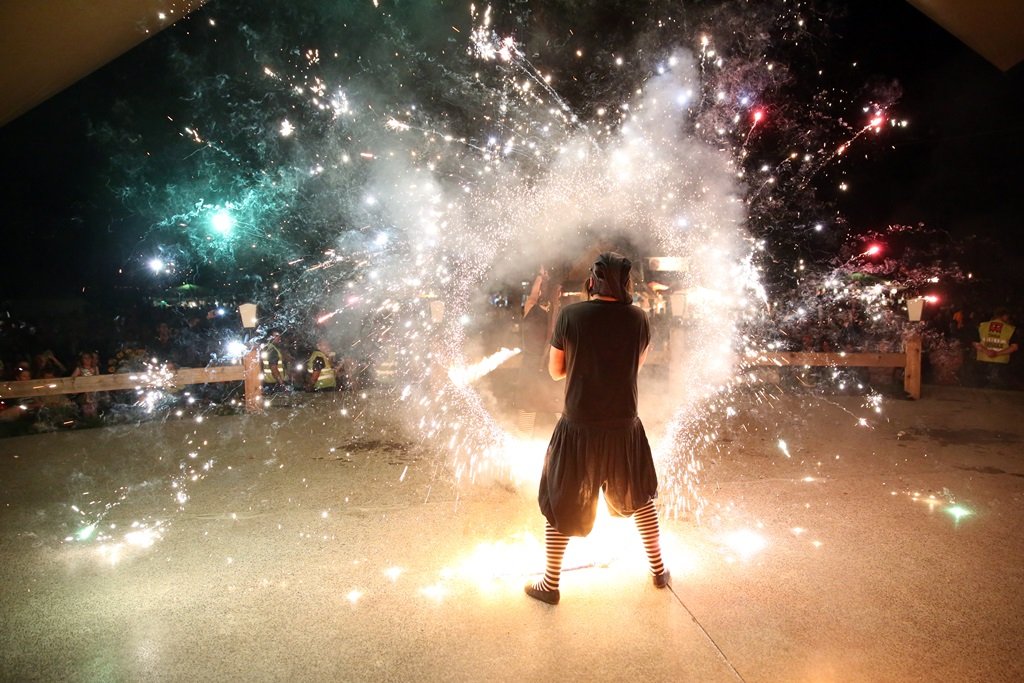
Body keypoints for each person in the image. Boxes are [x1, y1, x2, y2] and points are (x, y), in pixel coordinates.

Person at [525, 252, 669, 605]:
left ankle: (550, 585)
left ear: (593, 281)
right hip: (624, 425)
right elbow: (634, 366)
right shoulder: (639, 319)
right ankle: (659, 570)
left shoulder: (571, 315)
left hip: (579, 426)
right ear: (626, 284)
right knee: (640, 498)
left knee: (560, 502)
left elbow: (556, 371)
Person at [515, 266, 560, 438]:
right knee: (560, 411)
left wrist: (540, 277)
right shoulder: (558, 316)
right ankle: (568, 450)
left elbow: (533, 296)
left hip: (536, 366)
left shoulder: (531, 308)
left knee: (530, 408)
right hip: (548, 367)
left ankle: (523, 443)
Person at [972, 308, 1018, 388]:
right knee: (998, 389)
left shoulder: (982, 326)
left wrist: (986, 351)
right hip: (1001, 362)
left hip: (983, 360)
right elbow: (1014, 347)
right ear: (1005, 316)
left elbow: (975, 343)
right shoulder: (1010, 329)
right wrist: (997, 353)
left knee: (981, 388)